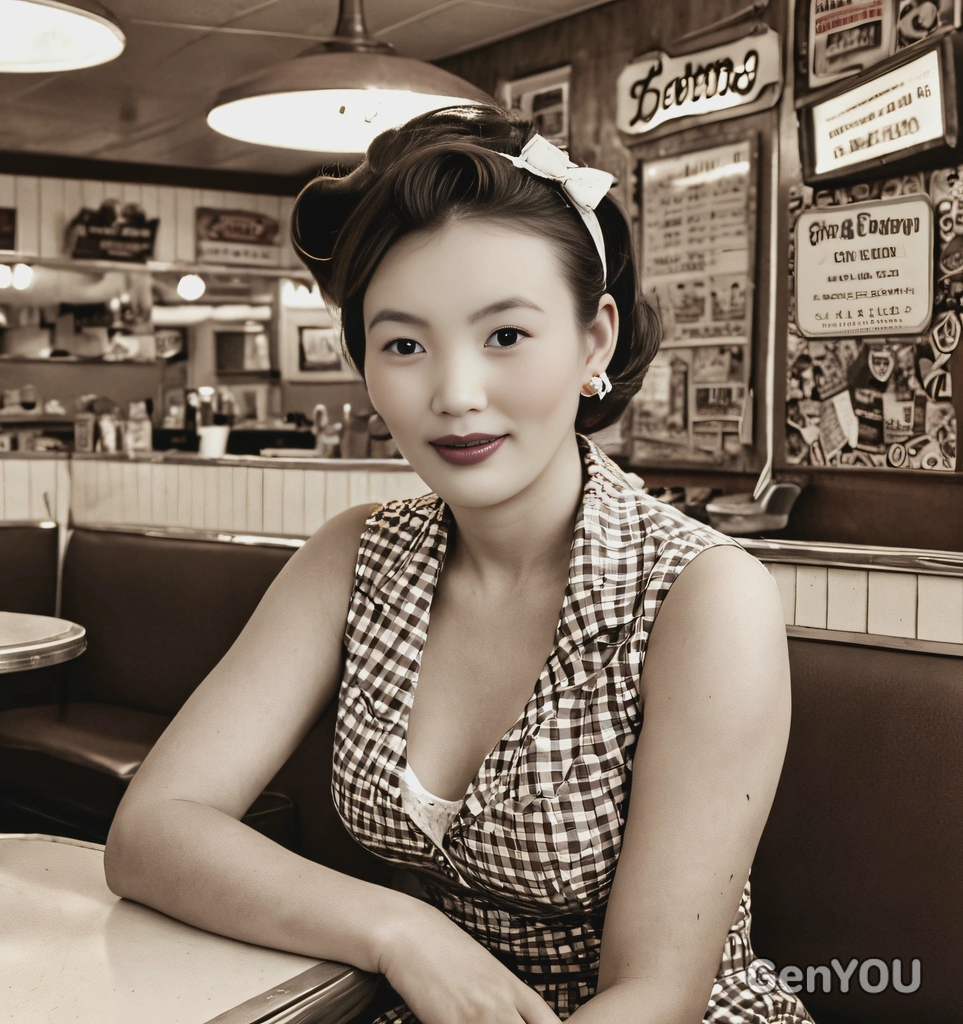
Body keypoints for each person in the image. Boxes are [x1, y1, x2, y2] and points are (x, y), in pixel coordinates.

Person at [104, 104, 814, 1024]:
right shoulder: (356, 558)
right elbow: (151, 831)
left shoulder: (701, 596)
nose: (455, 394)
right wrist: (403, 931)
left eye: (505, 336)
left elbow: (657, 995)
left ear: (593, 340)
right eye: (405, 344)